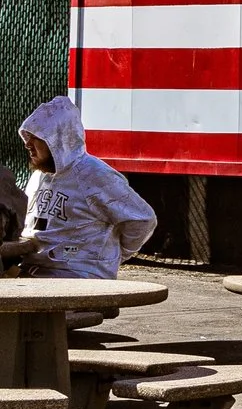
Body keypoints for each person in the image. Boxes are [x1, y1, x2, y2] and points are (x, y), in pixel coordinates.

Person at [18, 96, 155, 278]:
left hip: (79, 274)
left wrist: (114, 255)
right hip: (36, 269)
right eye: (27, 137)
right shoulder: (39, 175)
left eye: (36, 138)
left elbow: (143, 219)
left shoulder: (95, 175)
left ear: (58, 140)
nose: (28, 144)